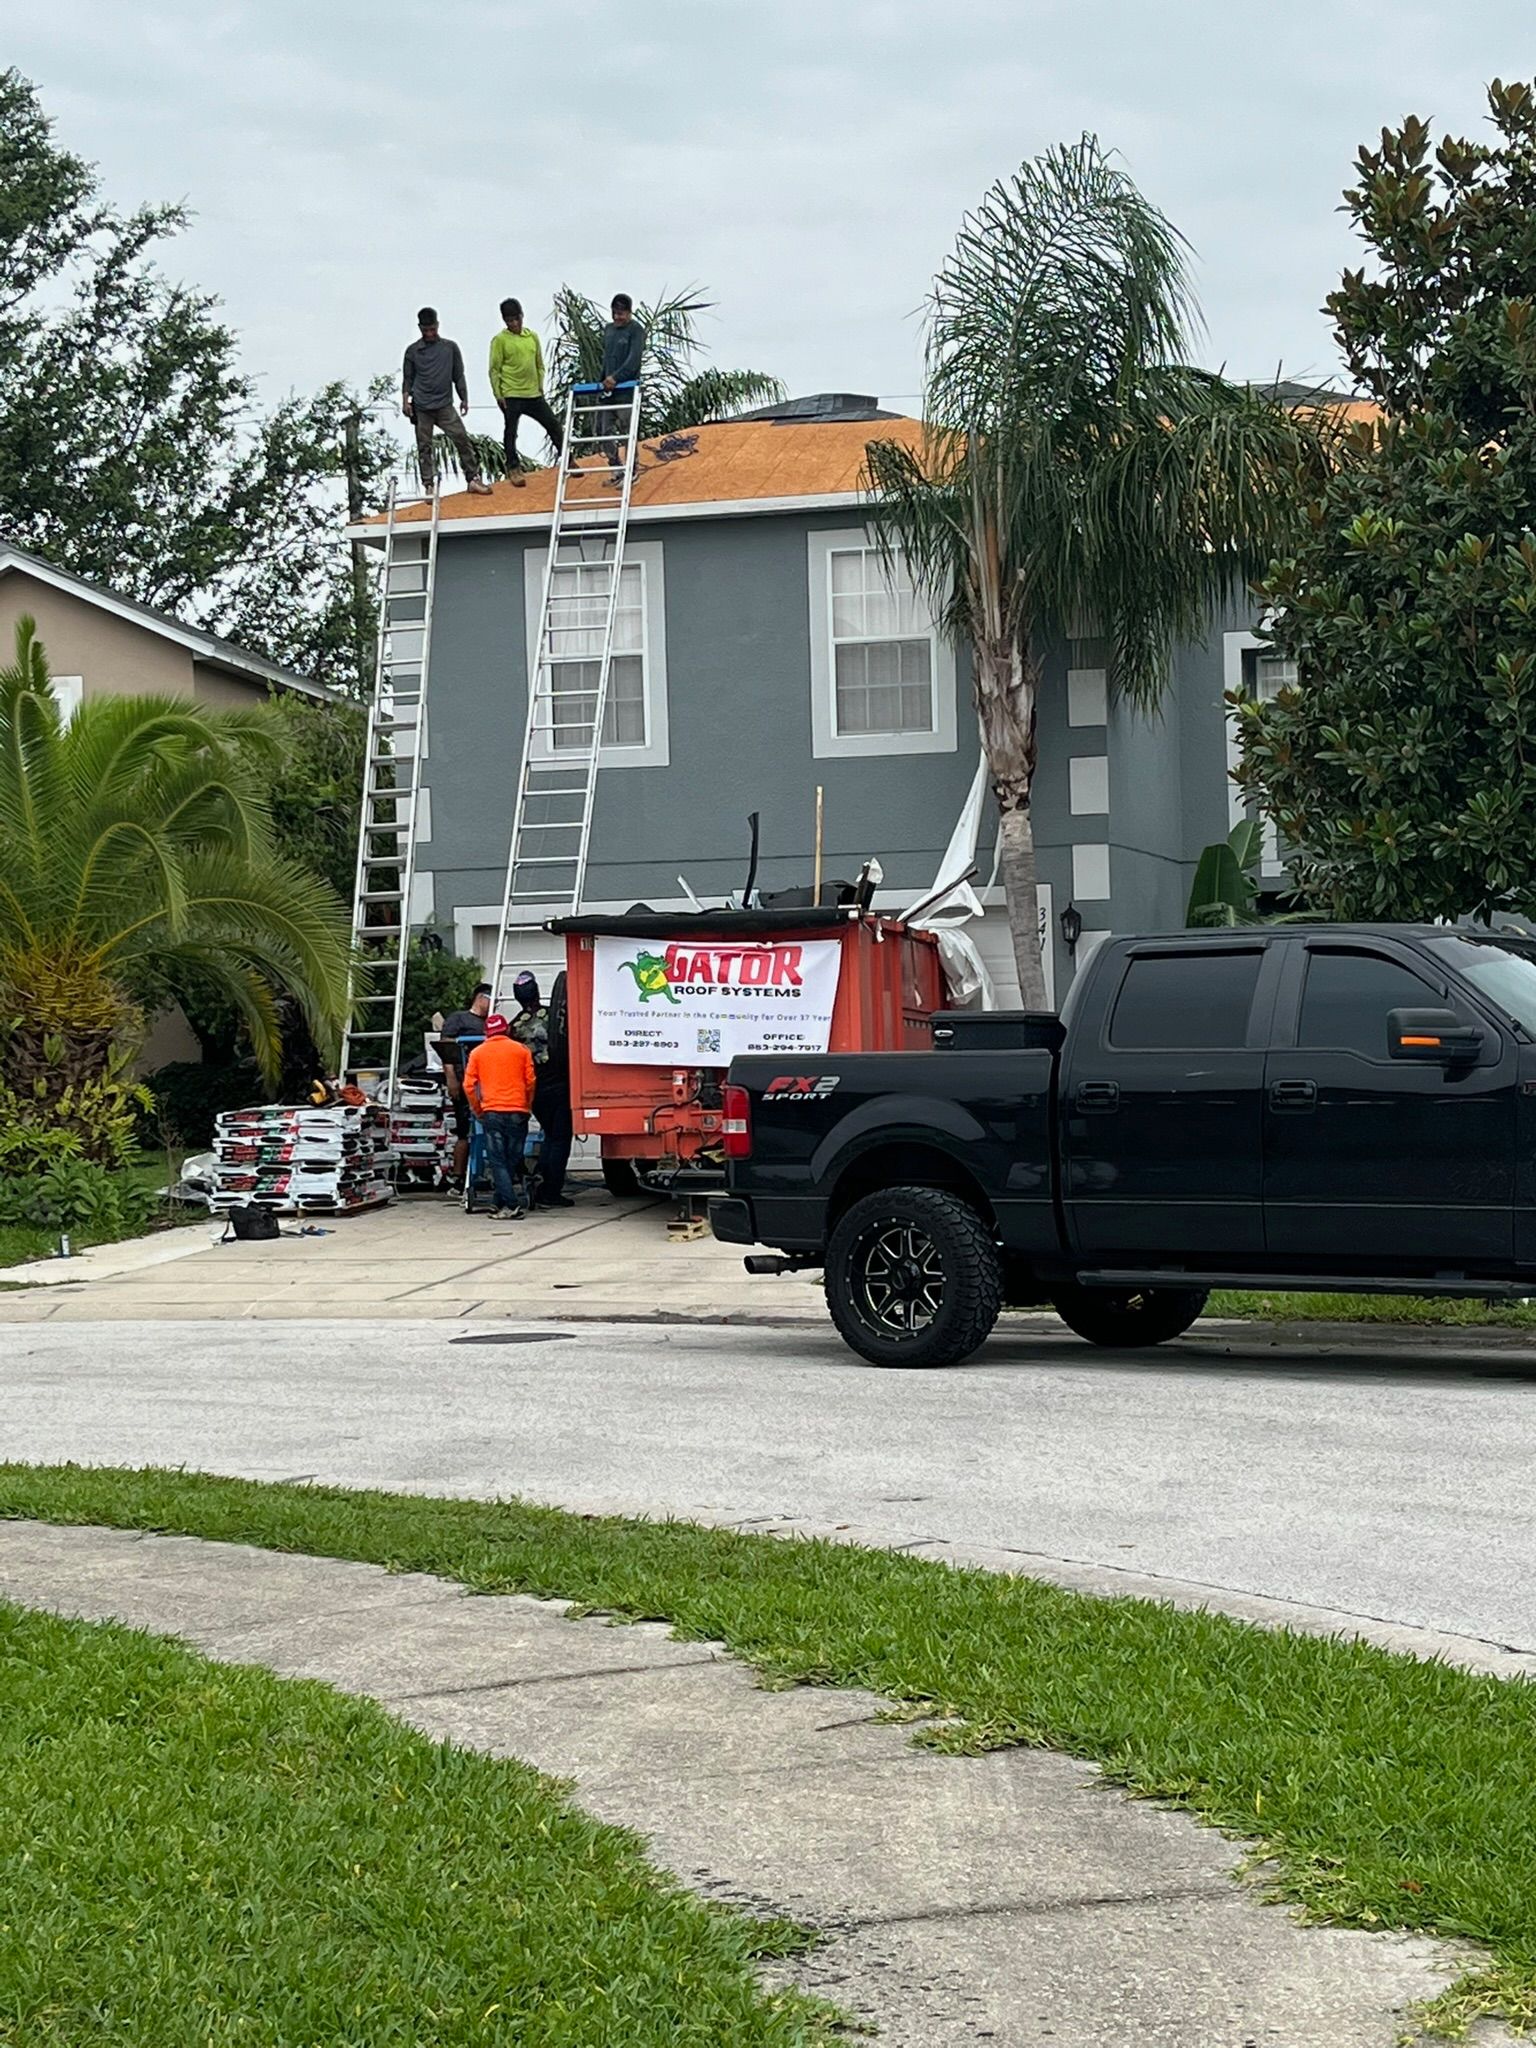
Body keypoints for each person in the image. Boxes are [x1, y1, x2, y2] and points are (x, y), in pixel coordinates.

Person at [402, 308, 492, 495]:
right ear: (420, 328)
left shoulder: (449, 348)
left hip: (444, 406)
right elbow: (407, 379)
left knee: (461, 439)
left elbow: (458, 375)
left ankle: (473, 478)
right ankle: (428, 485)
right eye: (426, 330)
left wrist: (464, 398)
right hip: (422, 407)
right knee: (424, 447)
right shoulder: (412, 352)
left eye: (432, 329)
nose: (429, 333)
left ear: (437, 325)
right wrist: (405, 401)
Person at [509, 971, 574, 1207]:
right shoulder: (554, 1018)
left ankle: (542, 1184)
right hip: (559, 1083)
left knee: (550, 1135)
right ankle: (550, 1191)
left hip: (534, 1089)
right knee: (560, 1138)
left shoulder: (513, 1027)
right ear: (536, 991)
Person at [462, 1015, 536, 1219]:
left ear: (487, 1033)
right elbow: (530, 1082)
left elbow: (468, 1086)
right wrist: (527, 1105)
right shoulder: (522, 1051)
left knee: (497, 1161)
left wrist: (478, 1109)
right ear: (507, 1030)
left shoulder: (478, 1053)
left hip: (492, 1112)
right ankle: (498, 1201)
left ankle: (511, 1204)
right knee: (512, 1159)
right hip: (518, 1112)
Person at [489, 299, 563, 486]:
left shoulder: (532, 337)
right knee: (511, 431)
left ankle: (567, 457)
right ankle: (513, 467)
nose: (514, 324)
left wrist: (540, 385)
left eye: (516, 319)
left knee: (553, 424)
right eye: (509, 320)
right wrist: (498, 394)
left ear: (522, 316)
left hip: (533, 393)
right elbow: (494, 369)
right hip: (511, 393)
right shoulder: (500, 340)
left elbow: (539, 364)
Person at [438, 983, 491, 1189]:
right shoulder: (459, 1019)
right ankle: (458, 1176)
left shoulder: (490, 1024)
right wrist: (451, 1078)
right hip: (464, 1082)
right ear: (479, 997)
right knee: (465, 1130)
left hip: (488, 1084)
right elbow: (446, 1050)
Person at [595, 293, 645, 476]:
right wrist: (602, 382)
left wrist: (617, 378)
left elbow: (634, 360)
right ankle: (615, 466)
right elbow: (606, 358)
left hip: (625, 389)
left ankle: (632, 467)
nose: (617, 317)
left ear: (629, 313)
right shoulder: (609, 330)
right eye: (615, 313)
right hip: (607, 390)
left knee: (627, 429)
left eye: (621, 313)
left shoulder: (636, 330)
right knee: (602, 429)